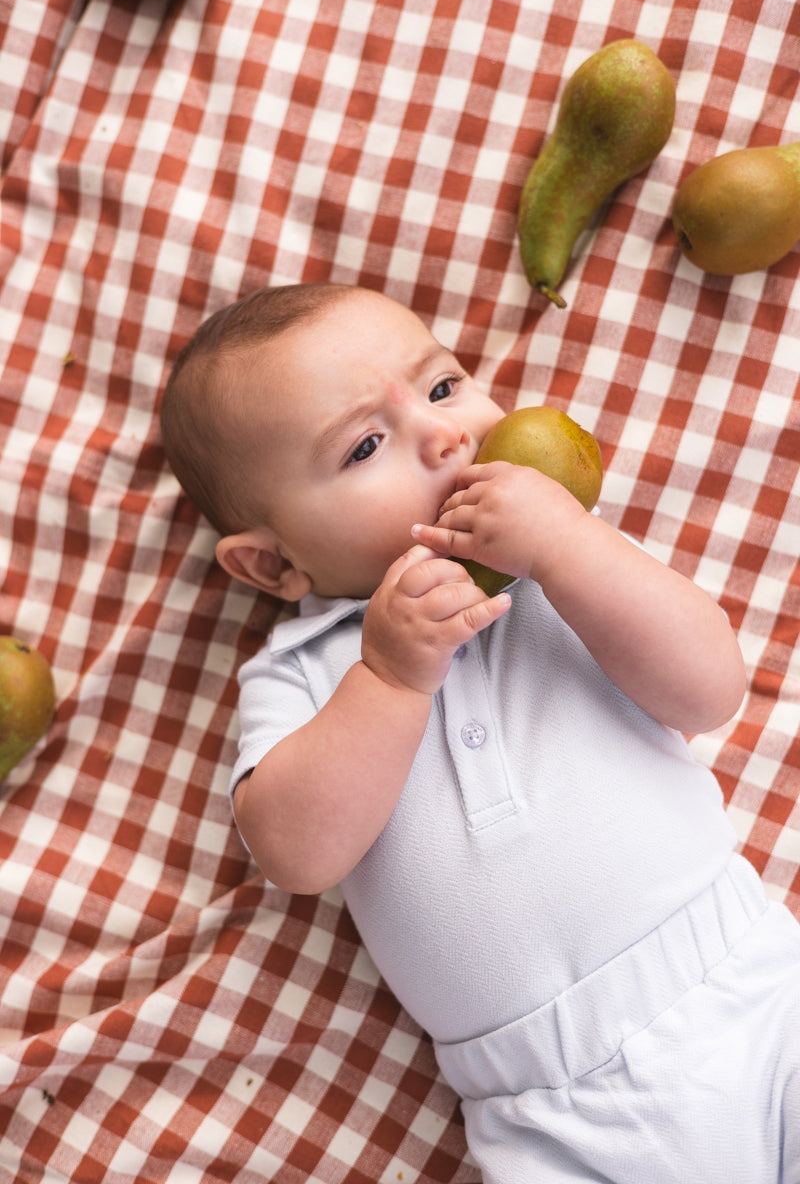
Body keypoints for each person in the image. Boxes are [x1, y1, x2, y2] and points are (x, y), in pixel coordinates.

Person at [160, 281, 800, 1184]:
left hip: (748, 992)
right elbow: (295, 854)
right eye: (367, 446)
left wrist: (566, 545)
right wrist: (387, 676)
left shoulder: (561, 571)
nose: (446, 435)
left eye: (444, 385)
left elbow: (710, 689)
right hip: (548, 1112)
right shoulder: (302, 674)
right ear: (273, 563)